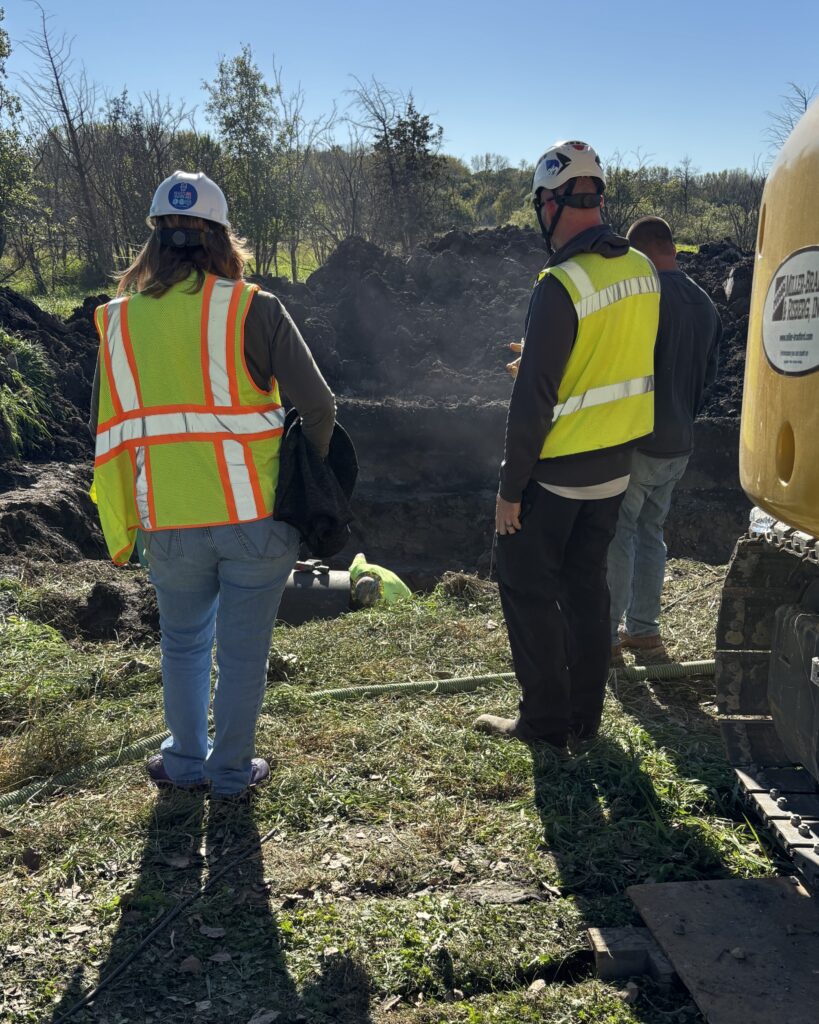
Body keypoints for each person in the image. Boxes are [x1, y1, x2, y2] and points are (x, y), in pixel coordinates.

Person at [90, 170, 335, 798]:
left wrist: (125, 520)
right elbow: (320, 407)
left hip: (167, 521)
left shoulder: (117, 323)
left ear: (156, 240)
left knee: (184, 644)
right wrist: (307, 480)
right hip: (255, 519)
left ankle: (184, 763)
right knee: (244, 651)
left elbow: (110, 432)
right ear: (222, 238)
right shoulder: (255, 308)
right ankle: (230, 774)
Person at [474, 141, 660, 753]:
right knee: (586, 590)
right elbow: (612, 356)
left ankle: (546, 726)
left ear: (552, 204)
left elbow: (534, 404)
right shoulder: (640, 269)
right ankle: (586, 719)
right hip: (615, 468)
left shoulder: (560, 284)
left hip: (555, 474)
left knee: (526, 590)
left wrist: (508, 491)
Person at [608, 216, 721, 662]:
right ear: (672, 248)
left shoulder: (645, 297)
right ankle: (645, 632)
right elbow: (708, 376)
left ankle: (608, 638)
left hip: (640, 440)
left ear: (643, 251)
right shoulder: (706, 304)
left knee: (620, 534)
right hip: (680, 443)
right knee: (652, 532)